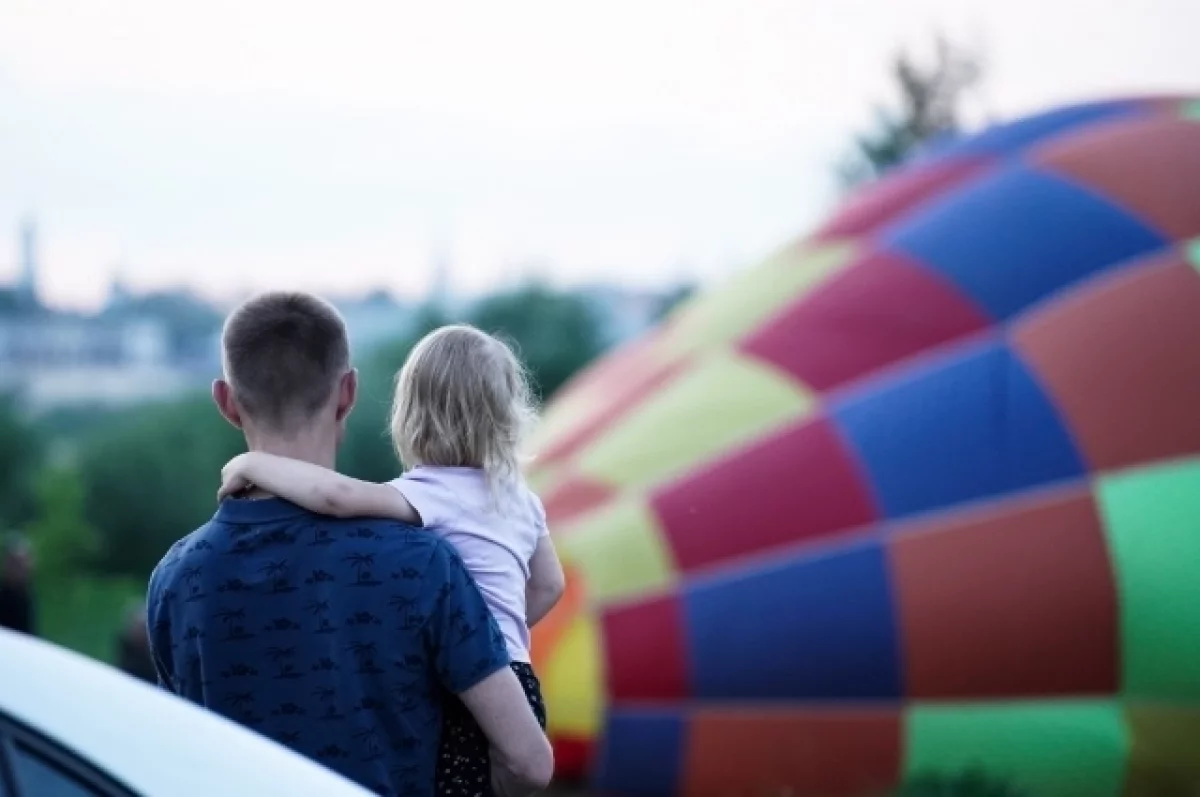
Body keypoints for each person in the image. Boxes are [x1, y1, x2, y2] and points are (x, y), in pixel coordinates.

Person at [145, 292, 552, 797]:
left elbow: (174, 759)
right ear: (349, 393)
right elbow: (528, 761)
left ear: (227, 403)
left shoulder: (176, 579)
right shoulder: (422, 563)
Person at [0, 533, 36, 636]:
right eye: (15, 563)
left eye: (23, 563)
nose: (20, 569)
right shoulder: (3, 597)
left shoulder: (26, 595)